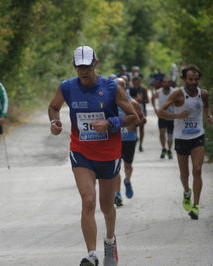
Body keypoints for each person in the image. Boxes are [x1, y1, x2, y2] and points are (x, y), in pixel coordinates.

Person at [48, 46, 138, 266]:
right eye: (79, 66)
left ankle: (109, 241)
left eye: (87, 66)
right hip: (81, 152)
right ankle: (92, 254)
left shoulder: (111, 87)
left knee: (106, 206)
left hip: (109, 153)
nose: (83, 71)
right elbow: (53, 107)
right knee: (88, 201)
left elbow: (134, 117)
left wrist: (110, 122)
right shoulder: (67, 87)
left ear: (95, 64)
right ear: (74, 66)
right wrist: (54, 121)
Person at [158, 65, 213, 220]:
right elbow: (161, 111)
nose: (194, 82)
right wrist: (177, 116)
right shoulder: (177, 94)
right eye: (190, 79)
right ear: (184, 79)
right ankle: (186, 191)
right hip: (181, 137)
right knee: (185, 174)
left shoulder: (203, 94)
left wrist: (209, 116)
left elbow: (207, 107)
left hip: (198, 136)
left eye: (196, 79)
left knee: (197, 170)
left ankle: (196, 206)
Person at [113, 78, 146, 207]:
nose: (118, 88)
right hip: (114, 140)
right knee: (115, 168)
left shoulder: (132, 103)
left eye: (121, 86)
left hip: (129, 140)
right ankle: (117, 194)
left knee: (127, 165)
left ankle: (127, 180)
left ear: (125, 87)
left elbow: (143, 119)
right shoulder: (108, 103)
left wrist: (134, 124)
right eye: (116, 86)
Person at [151, 77, 175, 159]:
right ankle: (163, 148)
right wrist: (155, 109)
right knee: (162, 132)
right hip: (162, 116)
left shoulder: (174, 92)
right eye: (164, 82)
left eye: (168, 82)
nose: (166, 84)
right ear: (162, 83)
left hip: (172, 116)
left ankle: (169, 150)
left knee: (170, 135)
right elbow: (152, 98)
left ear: (170, 83)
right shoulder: (159, 92)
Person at [130, 77, 148, 152]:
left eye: (137, 82)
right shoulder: (130, 89)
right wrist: (135, 99)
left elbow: (147, 100)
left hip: (141, 109)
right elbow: (128, 99)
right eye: (134, 82)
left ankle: (141, 144)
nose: (136, 83)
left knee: (141, 127)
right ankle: (134, 140)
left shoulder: (143, 89)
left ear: (139, 82)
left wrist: (142, 100)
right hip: (133, 110)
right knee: (134, 127)